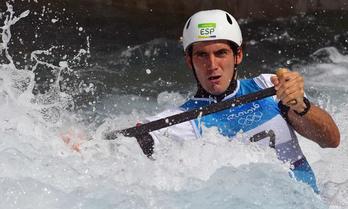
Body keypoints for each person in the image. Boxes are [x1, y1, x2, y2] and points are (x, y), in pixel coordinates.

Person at [134, 9, 340, 193]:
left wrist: (301, 107)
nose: (212, 64)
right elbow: (121, 162)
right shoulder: (177, 121)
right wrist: (134, 142)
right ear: (190, 61)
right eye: (202, 55)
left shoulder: (270, 87)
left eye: (221, 53)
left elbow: (331, 141)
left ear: (238, 55)